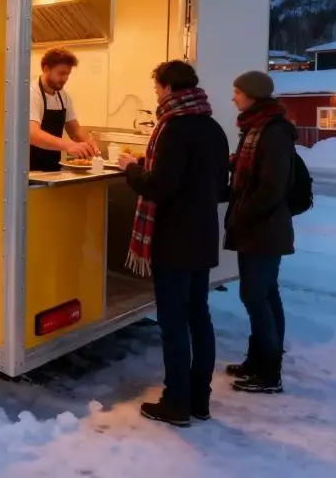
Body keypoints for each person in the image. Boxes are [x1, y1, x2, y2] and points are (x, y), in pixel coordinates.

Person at [123, 60, 230, 427]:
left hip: (173, 238)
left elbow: (160, 187)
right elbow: (219, 186)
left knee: (173, 323)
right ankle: (200, 400)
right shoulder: (213, 126)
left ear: (168, 87)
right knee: (198, 316)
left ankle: (176, 403)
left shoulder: (172, 129)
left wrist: (130, 168)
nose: (155, 93)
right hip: (202, 237)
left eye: (156, 87)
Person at [224, 70, 297, 395]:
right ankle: (259, 360)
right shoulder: (256, 127)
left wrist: (242, 214)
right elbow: (252, 170)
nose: (233, 98)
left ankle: (269, 373)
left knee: (255, 296)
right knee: (265, 294)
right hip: (260, 227)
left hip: (263, 229)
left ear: (252, 95)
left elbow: (271, 186)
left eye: (237, 92)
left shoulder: (272, 132)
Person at [28, 47, 98, 171]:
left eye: (68, 74)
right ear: (46, 69)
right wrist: (68, 145)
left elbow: (74, 129)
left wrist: (89, 144)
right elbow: (33, 134)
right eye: (61, 73)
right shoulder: (32, 93)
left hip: (53, 168)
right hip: (29, 168)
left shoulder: (63, 96)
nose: (65, 79)